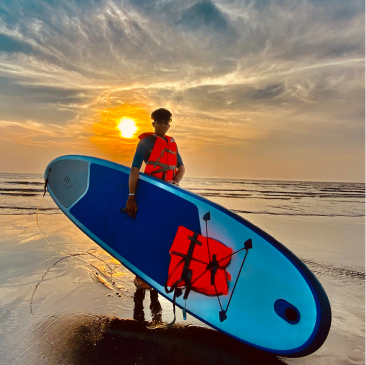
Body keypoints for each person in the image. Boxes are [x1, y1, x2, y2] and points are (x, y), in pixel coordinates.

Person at [125, 107, 185, 290]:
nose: (163, 126)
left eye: (166, 123)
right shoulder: (146, 143)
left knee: (165, 235)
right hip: (150, 193)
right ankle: (140, 277)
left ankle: (156, 277)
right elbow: (134, 170)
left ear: (169, 124)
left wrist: (175, 181)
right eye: (159, 123)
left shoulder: (171, 143)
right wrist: (131, 196)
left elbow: (181, 167)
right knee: (146, 235)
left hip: (167, 195)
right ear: (153, 124)